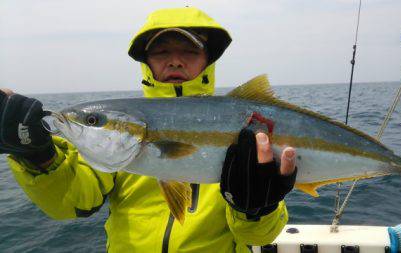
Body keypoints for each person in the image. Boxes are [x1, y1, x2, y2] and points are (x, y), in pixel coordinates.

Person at [0, 7, 297, 252]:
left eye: (189, 51)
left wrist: (256, 208)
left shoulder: (244, 122)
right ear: (147, 62)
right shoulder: (114, 145)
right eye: (162, 51)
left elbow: (260, 238)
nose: (175, 60)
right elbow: (71, 200)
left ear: (208, 61)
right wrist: (38, 156)